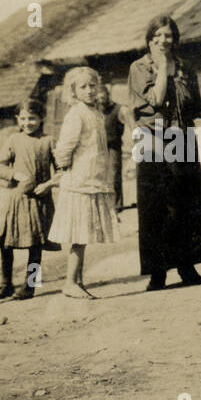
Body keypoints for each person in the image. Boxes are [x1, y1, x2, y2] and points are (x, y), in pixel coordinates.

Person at [129, 14, 201, 291]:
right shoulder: (139, 67)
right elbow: (154, 99)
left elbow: (195, 106)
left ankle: (187, 267)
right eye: (159, 35)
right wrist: (163, 67)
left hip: (183, 138)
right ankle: (158, 273)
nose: (165, 40)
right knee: (156, 206)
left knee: (187, 204)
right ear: (150, 38)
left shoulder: (187, 68)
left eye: (169, 35)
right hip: (152, 141)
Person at [50, 68, 119, 298]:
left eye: (92, 85)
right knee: (79, 235)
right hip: (79, 182)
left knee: (85, 234)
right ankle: (70, 282)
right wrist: (67, 168)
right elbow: (63, 149)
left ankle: (77, 280)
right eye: (83, 87)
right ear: (73, 91)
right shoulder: (76, 114)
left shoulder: (96, 113)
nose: (89, 91)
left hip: (94, 179)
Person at [0, 99, 58, 299]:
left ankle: (31, 287)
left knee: (36, 246)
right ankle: (5, 284)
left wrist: (48, 184)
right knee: (5, 243)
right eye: (24, 118)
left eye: (33, 118)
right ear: (17, 120)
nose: (28, 123)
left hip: (39, 200)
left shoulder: (48, 141)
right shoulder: (13, 140)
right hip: (17, 199)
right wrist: (15, 175)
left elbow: (62, 169)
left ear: (41, 118)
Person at [98, 87, 130, 211]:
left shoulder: (118, 109)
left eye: (103, 96)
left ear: (108, 95)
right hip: (99, 146)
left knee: (113, 175)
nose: (101, 99)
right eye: (99, 97)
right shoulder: (96, 109)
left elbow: (128, 123)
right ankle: (103, 205)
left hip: (113, 147)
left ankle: (116, 205)